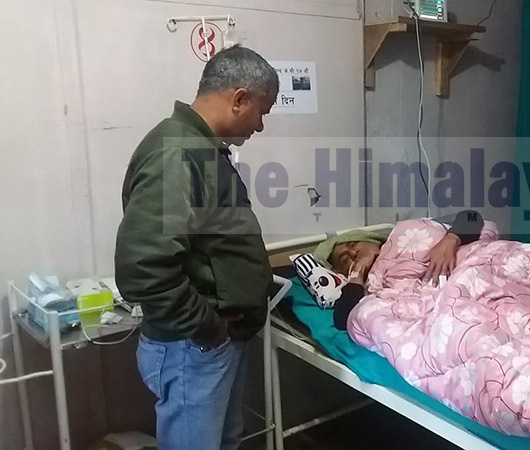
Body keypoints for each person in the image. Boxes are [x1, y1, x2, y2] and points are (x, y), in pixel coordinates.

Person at [114, 45, 279, 450]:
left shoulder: (202, 149)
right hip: (194, 345)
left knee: (223, 441)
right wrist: (208, 327)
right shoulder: (177, 153)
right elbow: (142, 268)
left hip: (211, 342)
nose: (260, 126)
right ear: (239, 98)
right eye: (262, 111)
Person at [311, 210, 485, 330]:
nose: (353, 252)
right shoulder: (366, 286)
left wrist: (451, 240)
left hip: (477, 264)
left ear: (368, 239)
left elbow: (472, 216)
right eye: (345, 259)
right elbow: (342, 320)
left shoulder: (404, 235)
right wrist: (357, 274)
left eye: (353, 244)